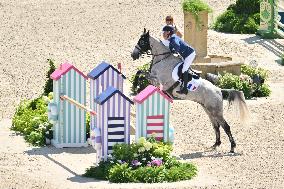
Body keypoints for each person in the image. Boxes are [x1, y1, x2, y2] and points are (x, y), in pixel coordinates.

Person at [162, 25, 196, 95]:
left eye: (164, 32)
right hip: (185, 55)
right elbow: (171, 49)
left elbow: (177, 46)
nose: (163, 34)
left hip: (189, 55)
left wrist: (175, 51)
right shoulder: (171, 39)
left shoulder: (173, 38)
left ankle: (185, 89)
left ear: (168, 32)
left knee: (184, 70)